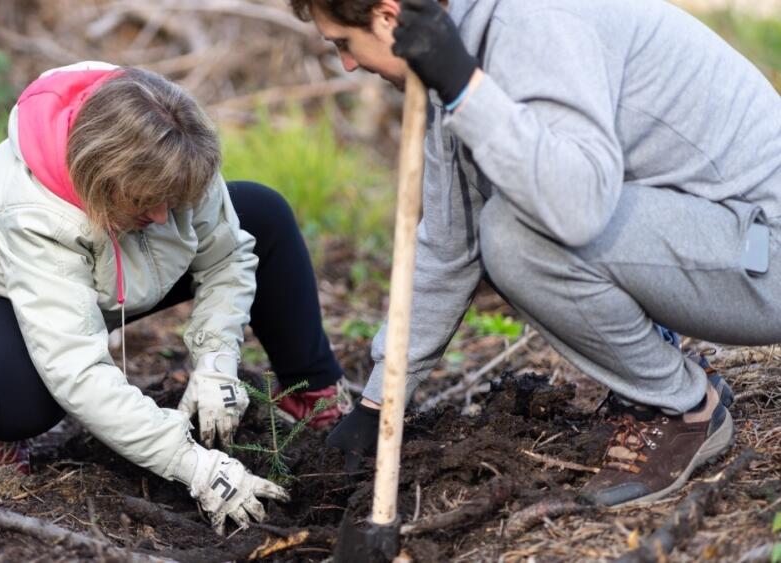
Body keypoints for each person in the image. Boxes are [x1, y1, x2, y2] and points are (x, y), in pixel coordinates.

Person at [289, 0, 781, 507]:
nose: (347, 63)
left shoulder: (529, 23)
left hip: (766, 251)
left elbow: (576, 208)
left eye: (343, 43)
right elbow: (449, 243)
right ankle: (666, 376)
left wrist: (464, 87)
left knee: (513, 235)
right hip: (716, 236)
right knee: (503, 224)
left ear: (388, 16)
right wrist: (379, 401)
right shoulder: (453, 56)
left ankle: (683, 412)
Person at [0, 61, 350, 533]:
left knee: (262, 214)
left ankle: (311, 392)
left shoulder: (174, 141)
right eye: (148, 203)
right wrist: (191, 464)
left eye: (174, 201)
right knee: (21, 401)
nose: (165, 217)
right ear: (105, 181)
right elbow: (76, 371)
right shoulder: (35, 213)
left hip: (110, 274)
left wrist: (216, 361)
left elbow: (226, 257)